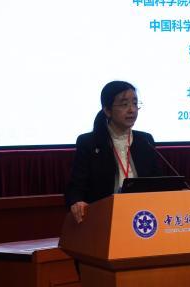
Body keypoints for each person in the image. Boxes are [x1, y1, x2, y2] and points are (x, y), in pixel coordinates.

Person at [65, 81, 162, 223]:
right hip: (104, 218)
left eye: (135, 103)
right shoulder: (89, 143)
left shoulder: (145, 140)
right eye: (124, 104)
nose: (132, 110)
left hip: (143, 216)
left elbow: (158, 182)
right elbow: (76, 187)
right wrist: (77, 202)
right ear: (107, 110)